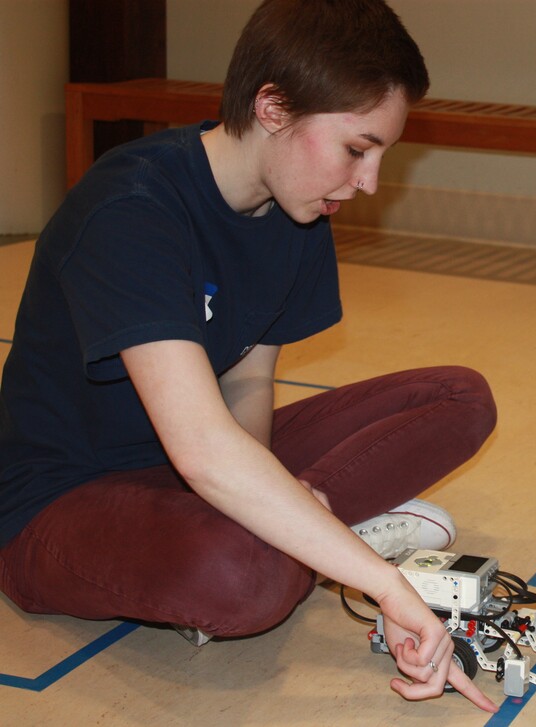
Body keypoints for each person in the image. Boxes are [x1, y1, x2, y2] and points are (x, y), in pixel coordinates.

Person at [0, 0, 498, 712]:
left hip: (195, 464)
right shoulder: (132, 206)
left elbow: (247, 384)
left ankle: (301, 527)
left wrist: (268, 503)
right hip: (57, 504)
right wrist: (384, 583)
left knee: (460, 396)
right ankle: (316, 535)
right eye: (357, 149)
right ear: (273, 107)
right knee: (240, 576)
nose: (369, 183)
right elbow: (202, 449)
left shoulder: (295, 207)